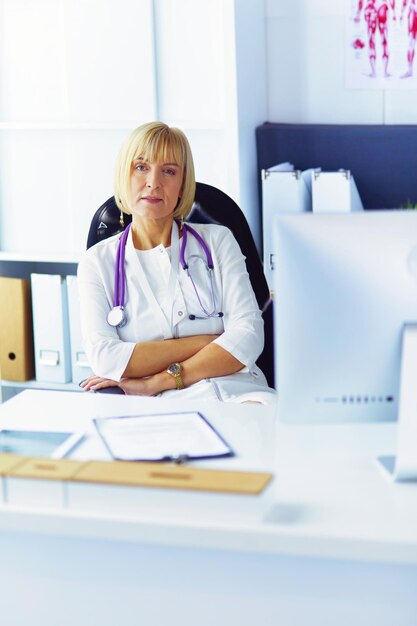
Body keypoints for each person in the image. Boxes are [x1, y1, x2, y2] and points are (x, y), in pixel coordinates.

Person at [77, 122, 276, 405]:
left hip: (240, 394)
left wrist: (157, 379)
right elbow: (105, 358)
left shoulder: (218, 241)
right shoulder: (97, 263)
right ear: (124, 175)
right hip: (157, 406)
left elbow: (249, 337)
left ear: (183, 185)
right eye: (141, 167)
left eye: (169, 171)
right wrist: (210, 341)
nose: (153, 183)